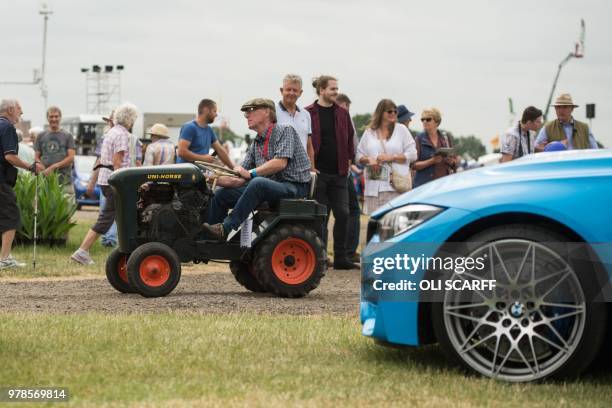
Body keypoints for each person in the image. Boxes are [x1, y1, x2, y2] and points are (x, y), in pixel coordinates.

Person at [203, 98, 311, 240]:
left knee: (257, 182)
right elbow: (238, 178)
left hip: (295, 187)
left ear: (267, 112)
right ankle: (208, 239)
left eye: (251, 111)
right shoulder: (257, 142)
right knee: (221, 194)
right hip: (269, 188)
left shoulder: (285, 130)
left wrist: (251, 173)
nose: (247, 115)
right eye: (246, 113)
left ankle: (225, 228)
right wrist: (211, 178)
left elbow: (280, 163)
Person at [70, 103, 139, 265]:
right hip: (115, 181)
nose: (134, 122)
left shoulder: (111, 132)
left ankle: (124, 249)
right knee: (110, 218)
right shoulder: (123, 135)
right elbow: (117, 161)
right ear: (129, 119)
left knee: (115, 217)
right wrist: (123, 183)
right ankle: (82, 251)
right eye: (134, 118)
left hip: (105, 179)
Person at [305, 75, 356, 270]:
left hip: (340, 174)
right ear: (321, 90)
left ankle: (341, 258)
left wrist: (349, 162)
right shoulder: (308, 113)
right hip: (318, 174)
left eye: (336, 88)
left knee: (343, 213)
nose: (336, 92)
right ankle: (321, 257)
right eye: (332, 89)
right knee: (322, 217)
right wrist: (310, 166)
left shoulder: (343, 113)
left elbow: (350, 139)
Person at [0, 99, 45, 269]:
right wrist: (30, 167)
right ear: (10, 109)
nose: (21, 112)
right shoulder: (8, 127)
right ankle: (5, 259)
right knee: (11, 216)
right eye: (19, 109)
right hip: (1, 181)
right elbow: (10, 156)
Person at [356, 99, 417, 214]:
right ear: (381, 113)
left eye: (395, 111)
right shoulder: (369, 132)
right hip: (373, 188)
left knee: (393, 224)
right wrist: (369, 159)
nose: (393, 114)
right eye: (390, 111)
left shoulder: (402, 130)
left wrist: (392, 157)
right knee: (375, 224)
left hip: (394, 187)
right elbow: (358, 155)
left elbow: (413, 154)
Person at [336, 93, 361, 263]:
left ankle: (325, 253)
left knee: (328, 212)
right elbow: (354, 146)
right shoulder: (344, 118)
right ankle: (348, 251)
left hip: (334, 171)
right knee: (352, 211)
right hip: (342, 171)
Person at [87, 112, 117, 247]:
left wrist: (91, 182)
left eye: (109, 121)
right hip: (113, 178)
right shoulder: (128, 137)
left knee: (106, 211)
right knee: (114, 212)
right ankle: (110, 239)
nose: (108, 123)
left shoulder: (106, 137)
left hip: (106, 179)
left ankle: (108, 239)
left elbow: (99, 160)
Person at [176, 99, 234, 168]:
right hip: (186, 173)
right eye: (214, 111)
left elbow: (220, 150)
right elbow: (181, 152)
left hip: (200, 173)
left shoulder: (209, 130)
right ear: (206, 110)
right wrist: (203, 158)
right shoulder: (190, 127)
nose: (216, 115)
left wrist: (234, 169)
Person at [34, 106, 76, 196]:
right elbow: (36, 156)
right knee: (45, 209)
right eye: (51, 116)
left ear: (60, 118)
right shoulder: (41, 136)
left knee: (65, 208)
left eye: (56, 116)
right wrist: (39, 164)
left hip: (64, 181)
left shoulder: (68, 136)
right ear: (47, 118)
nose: (54, 119)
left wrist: (54, 166)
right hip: (45, 180)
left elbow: (71, 158)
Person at [276, 74, 315, 169]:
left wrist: (312, 168)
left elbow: (309, 145)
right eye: (288, 89)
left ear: (300, 93)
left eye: (295, 90)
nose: (291, 93)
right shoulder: (273, 113)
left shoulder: (305, 114)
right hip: (281, 168)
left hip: (303, 169)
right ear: (281, 91)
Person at [412, 108, 458, 188]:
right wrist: (432, 161)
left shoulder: (446, 138)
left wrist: (451, 162)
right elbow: (413, 165)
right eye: (422, 120)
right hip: (423, 187)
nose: (424, 122)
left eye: (428, 119)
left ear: (436, 122)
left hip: (443, 186)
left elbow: (455, 163)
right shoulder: (418, 139)